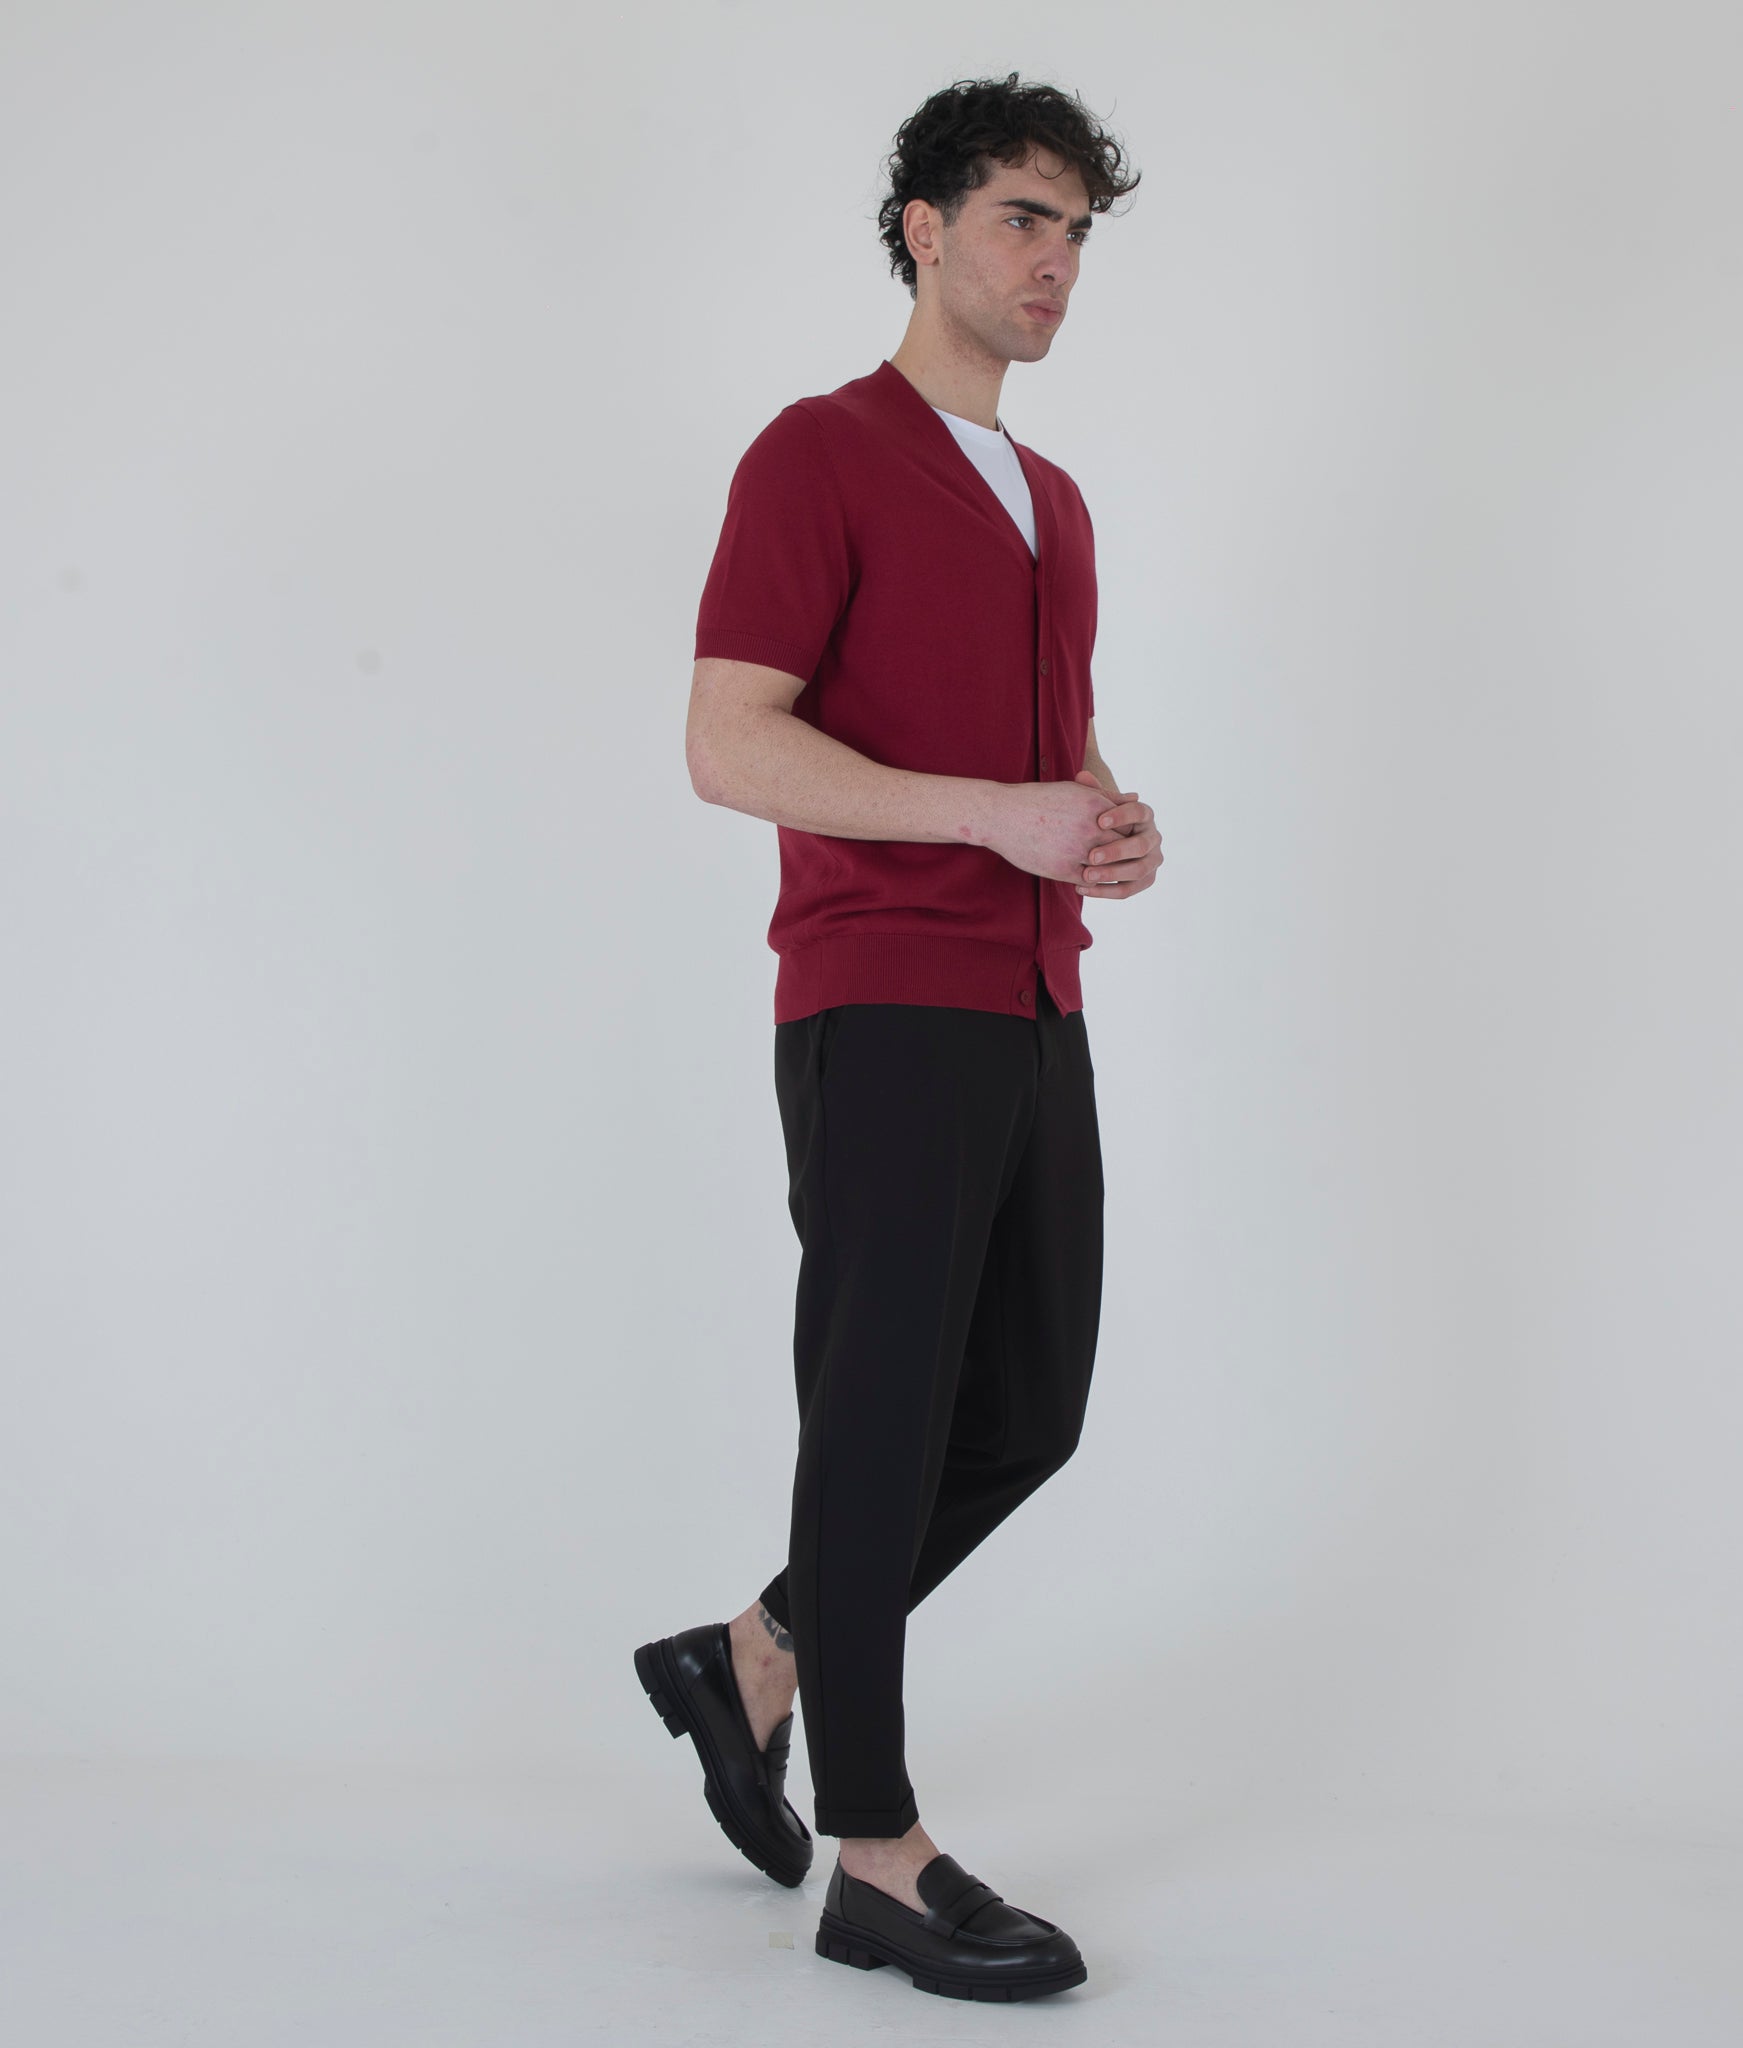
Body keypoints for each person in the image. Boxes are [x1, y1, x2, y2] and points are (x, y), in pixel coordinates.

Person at [633, 71, 1160, 2003]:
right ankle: (875, 1851)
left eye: (1078, 230)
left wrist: (1101, 812)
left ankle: (756, 1656)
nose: (1057, 260)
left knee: (1030, 1410)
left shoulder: (1057, 504)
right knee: (875, 1423)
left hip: (1033, 1001)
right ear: (924, 230)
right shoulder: (819, 454)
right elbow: (729, 741)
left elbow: (1045, 741)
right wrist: (986, 817)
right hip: (881, 997)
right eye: (1024, 217)